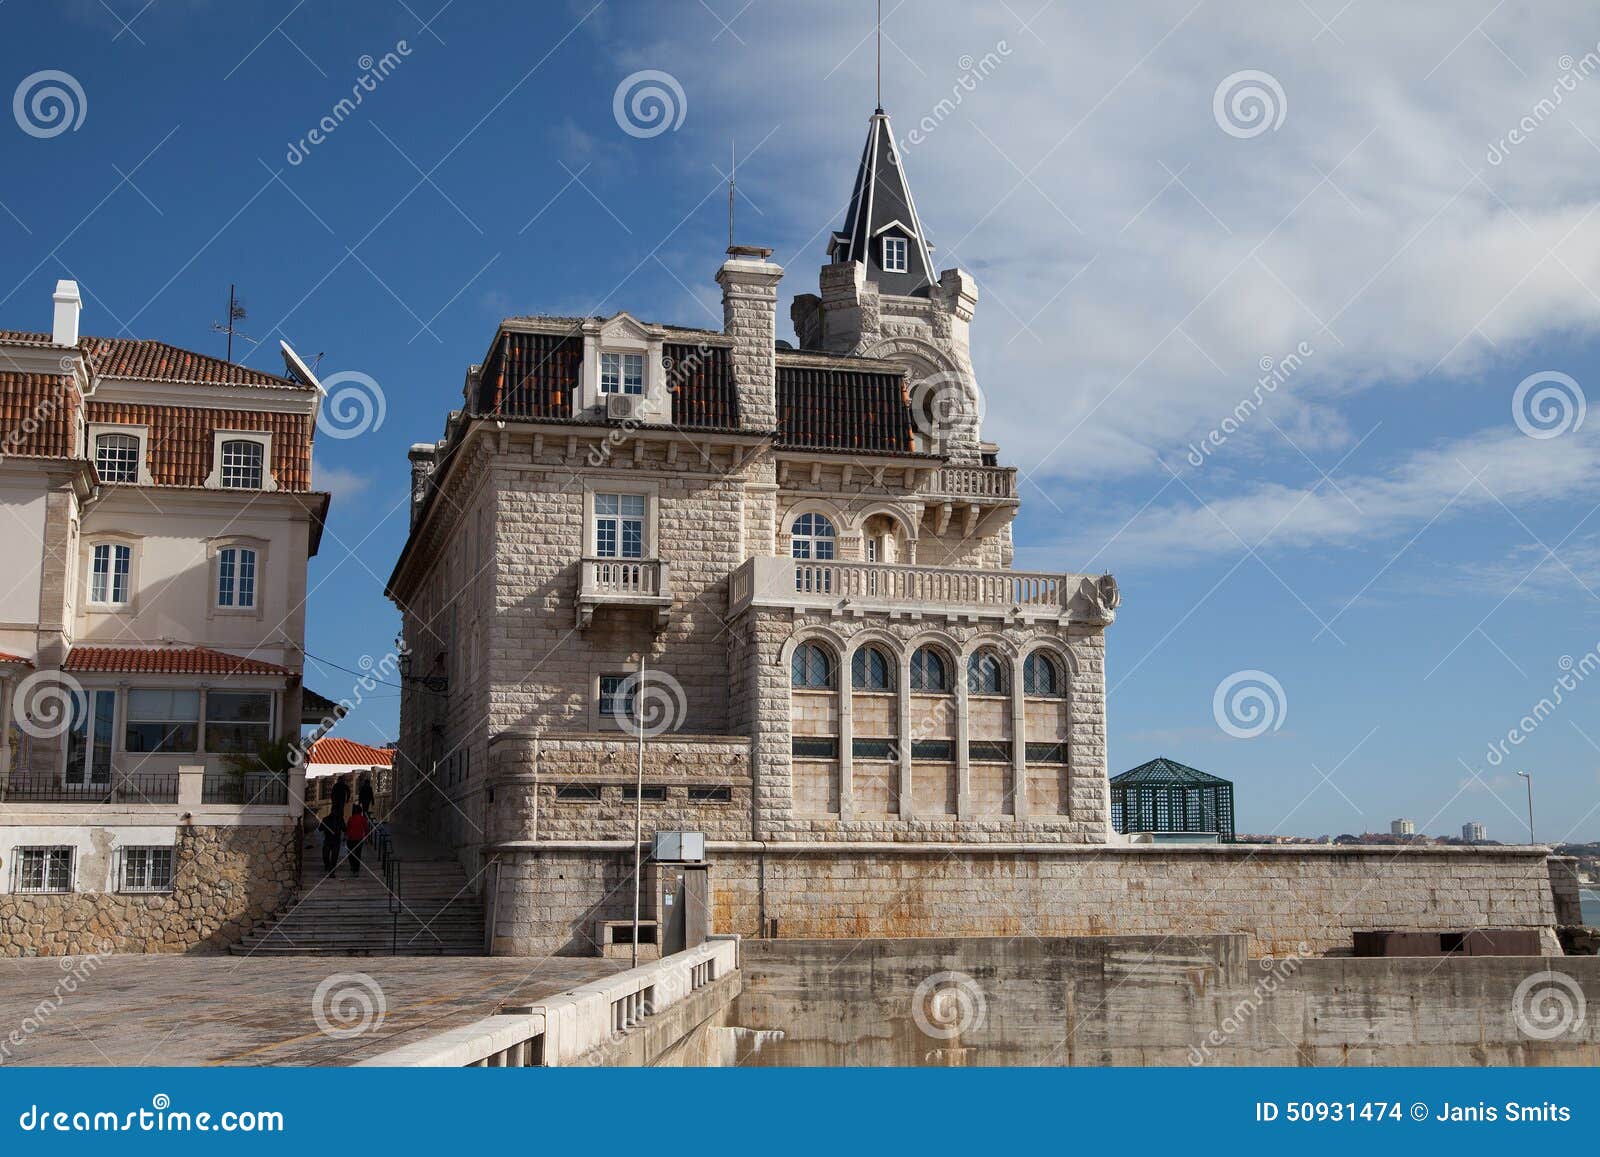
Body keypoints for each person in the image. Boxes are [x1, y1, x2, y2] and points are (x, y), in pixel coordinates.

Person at [344, 804, 370, 878]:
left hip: (351, 839)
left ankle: (353, 867)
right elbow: (366, 829)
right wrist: (367, 838)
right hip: (359, 839)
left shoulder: (350, 818)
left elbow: (348, 829)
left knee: (350, 854)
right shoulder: (363, 819)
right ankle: (356, 870)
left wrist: (345, 836)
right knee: (358, 854)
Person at [318, 807, 342, 876]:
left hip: (333, 840)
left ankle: (330, 869)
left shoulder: (337, 819)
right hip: (331, 840)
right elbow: (320, 828)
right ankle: (329, 867)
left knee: (331, 856)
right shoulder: (327, 819)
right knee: (329, 856)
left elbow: (320, 829)